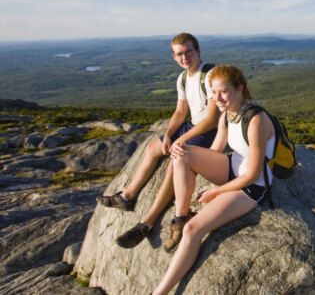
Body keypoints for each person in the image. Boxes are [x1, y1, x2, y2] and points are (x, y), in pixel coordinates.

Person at [151, 65, 276, 294]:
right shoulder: (227, 115)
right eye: (213, 92)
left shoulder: (256, 119)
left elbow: (252, 174)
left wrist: (215, 192)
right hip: (233, 168)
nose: (217, 98)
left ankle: (159, 292)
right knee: (182, 155)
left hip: (252, 186)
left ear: (240, 89)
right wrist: (185, 151)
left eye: (224, 92)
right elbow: (217, 150)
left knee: (193, 230)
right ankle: (181, 216)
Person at [96, 33, 220, 248]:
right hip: (193, 126)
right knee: (154, 147)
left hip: (210, 131)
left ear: (198, 51)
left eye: (188, 52)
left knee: (176, 160)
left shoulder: (210, 75)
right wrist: (170, 135)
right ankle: (127, 196)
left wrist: (179, 140)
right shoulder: (183, 78)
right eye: (179, 54)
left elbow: (211, 120)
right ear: (174, 57)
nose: (185, 57)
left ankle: (148, 223)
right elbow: (181, 111)